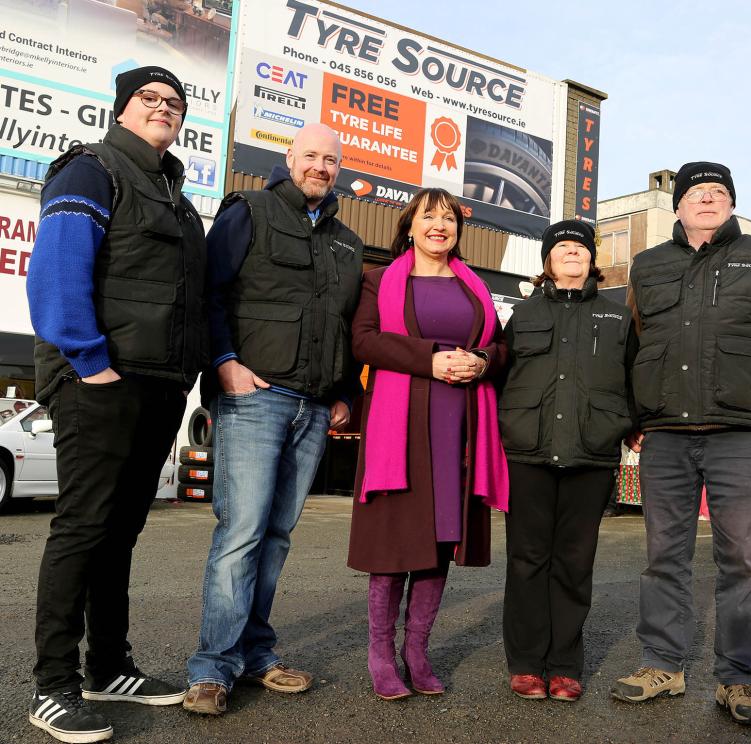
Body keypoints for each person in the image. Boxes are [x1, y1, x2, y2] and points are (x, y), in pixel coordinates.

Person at [610, 162, 751, 726]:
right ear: (678, 205)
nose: (707, 199)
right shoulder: (648, 265)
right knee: (664, 558)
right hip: (667, 436)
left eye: (718, 192)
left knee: (741, 561)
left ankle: (739, 679)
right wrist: (633, 416)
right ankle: (662, 664)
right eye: (696, 192)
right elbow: (632, 345)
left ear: (731, 204)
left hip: (741, 436)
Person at [26, 66, 206, 742]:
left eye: (174, 102)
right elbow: (57, 269)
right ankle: (52, 687)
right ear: (122, 110)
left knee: (120, 531)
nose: (163, 108)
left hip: (159, 386)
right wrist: (90, 363)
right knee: (81, 528)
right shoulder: (92, 169)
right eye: (149, 99)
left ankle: (109, 665)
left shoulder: (177, 197)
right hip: (100, 382)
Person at [183, 123, 364, 715]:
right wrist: (224, 362)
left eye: (331, 159)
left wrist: (345, 395)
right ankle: (212, 669)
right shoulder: (250, 211)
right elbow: (209, 293)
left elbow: (344, 326)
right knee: (241, 534)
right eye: (310, 155)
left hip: (313, 408)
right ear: (290, 158)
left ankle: (256, 654)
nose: (321, 166)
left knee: (277, 536)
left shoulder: (347, 242)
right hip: (254, 396)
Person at [348, 188, 508, 700]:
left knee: (441, 540)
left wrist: (482, 361)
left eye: (448, 220)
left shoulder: (474, 288)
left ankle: (417, 651)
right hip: (401, 427)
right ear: (410, 226)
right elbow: (364, 341)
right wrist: (430, 359)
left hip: (458, 427)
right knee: (394, 541)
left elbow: (502, 346)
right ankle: (380, 653)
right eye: (428, 217)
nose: (439, 226)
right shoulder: (379, 281)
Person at [499, 220, 637, 702]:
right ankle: (526, 663)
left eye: (580, 247)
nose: (572, 253)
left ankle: (564, 665)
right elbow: (501, 375)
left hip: (592, 454)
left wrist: (632, 427)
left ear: (591, 260)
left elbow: (634, 379)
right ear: (547, 262)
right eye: (562, 248)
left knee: (575, 563)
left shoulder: (617, 318)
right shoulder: (523, 314)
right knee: (527, 560)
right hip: (528, 453)